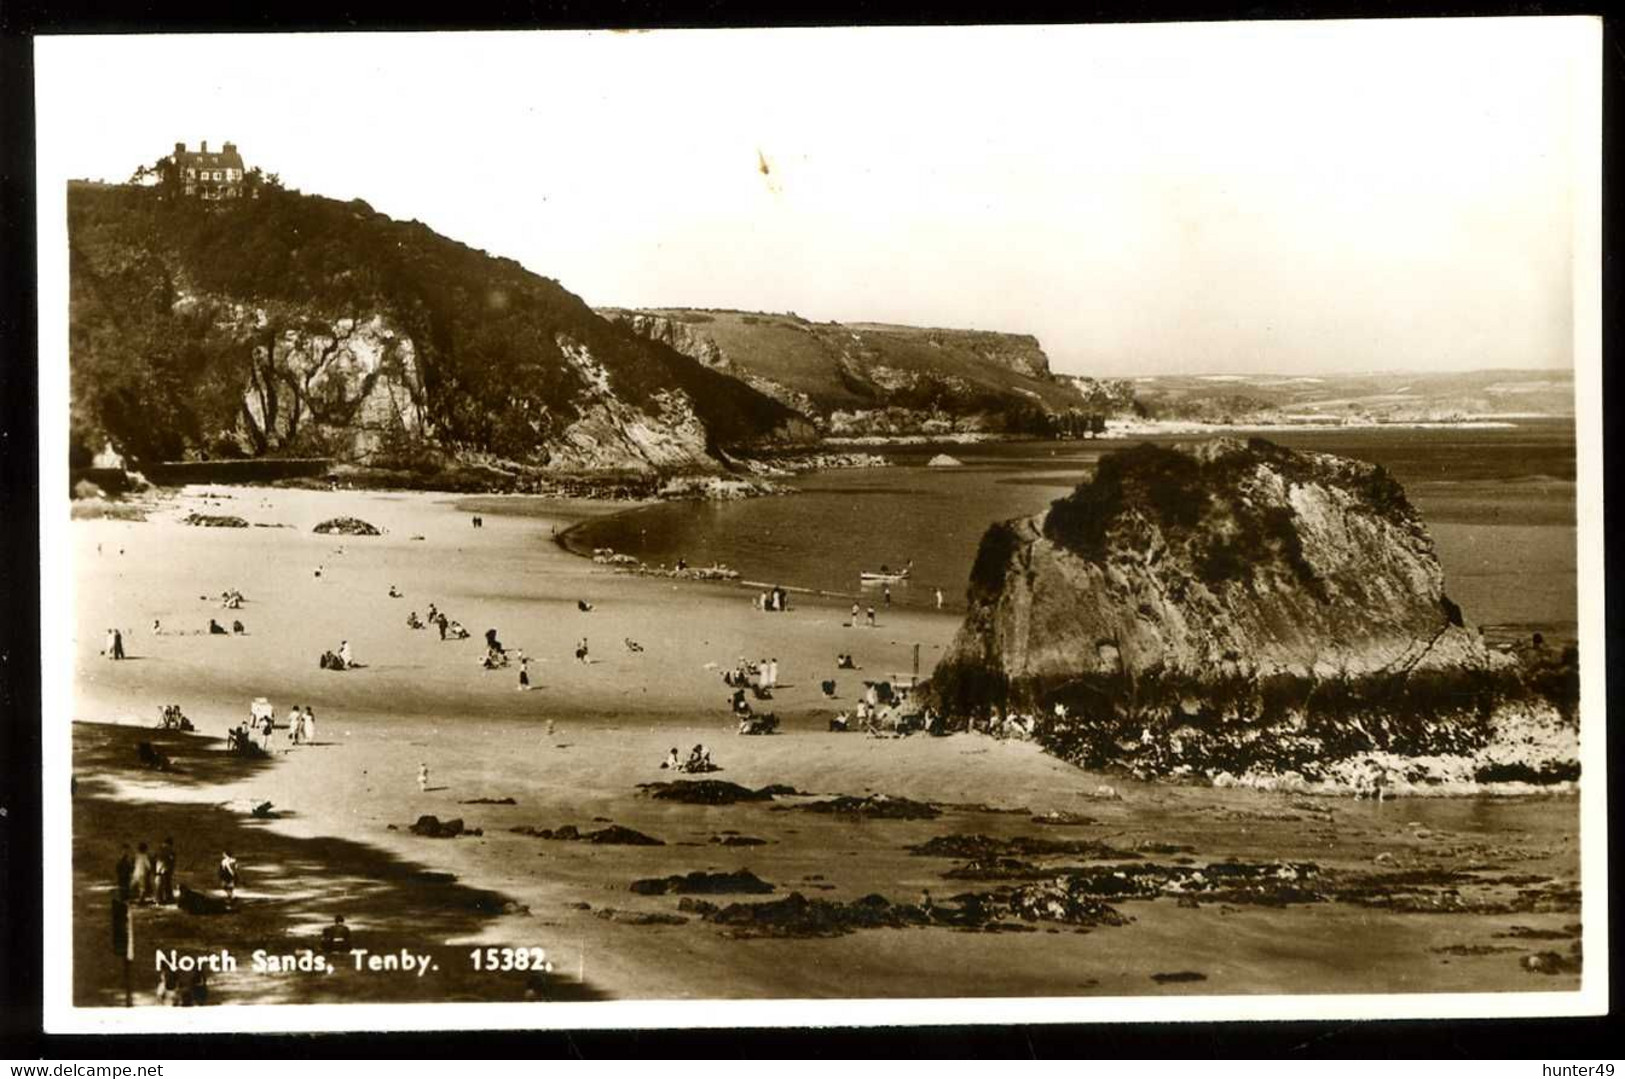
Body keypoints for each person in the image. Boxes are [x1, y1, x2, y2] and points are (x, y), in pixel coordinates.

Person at [155, 837, 176, 905]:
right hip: (165, 870)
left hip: (159, 869)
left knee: (160, 885)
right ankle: (165, 898)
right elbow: (170, 860)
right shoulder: (168, 850)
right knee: (165, 885)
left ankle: (160, 899)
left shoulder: (160, 849)